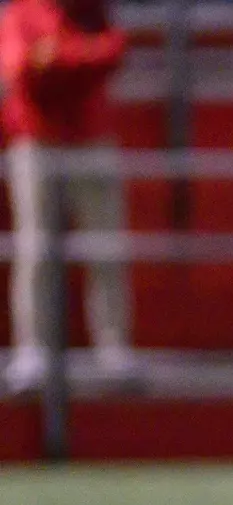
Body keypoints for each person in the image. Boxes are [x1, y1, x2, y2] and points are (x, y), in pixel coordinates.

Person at [0, 0, 131, 393]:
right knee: (34, 248)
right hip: (35, 139)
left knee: (106, 249)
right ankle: (32, 352)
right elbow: (23, 69)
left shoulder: (93, 10)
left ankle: (114, 349)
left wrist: (58, 58)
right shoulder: (22, 13)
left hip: (91, 138)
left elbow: (112, 52)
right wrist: (78, 59)